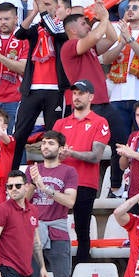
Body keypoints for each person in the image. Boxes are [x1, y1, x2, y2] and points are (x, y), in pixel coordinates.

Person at [52, 80, 111, 266]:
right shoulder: (61, 123)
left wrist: (71, 153)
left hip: (84, 182)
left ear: (91, 97)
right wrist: (56, 155)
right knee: (51, 226)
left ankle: (82, 268)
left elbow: (96, 156)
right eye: (74, 93)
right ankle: (54, 268)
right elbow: (49, 150)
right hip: (59, 182)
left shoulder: (99, 122)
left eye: (81, 93)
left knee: (82, 228)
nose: (76, 97)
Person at [25, 132, 77, 277]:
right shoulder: (33, 169)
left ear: (60, 148)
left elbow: (70, 201)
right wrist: (32, 184)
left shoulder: (68, 171)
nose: (46, 146)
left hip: (57, 233)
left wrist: (45, 188)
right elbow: (25, 201)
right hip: (34, 232)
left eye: (51, 143)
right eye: (44, 143)